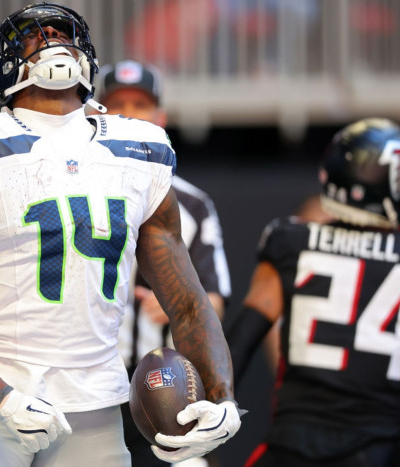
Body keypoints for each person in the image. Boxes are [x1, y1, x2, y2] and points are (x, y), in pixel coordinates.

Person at [0, 3, 242, 466]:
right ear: (3, 64)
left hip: (95, 411)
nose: (52, 40)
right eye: (36, 35)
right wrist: (1, 396)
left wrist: (223, 397)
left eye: (63, 34)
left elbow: (186, 301)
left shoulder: (141, 149)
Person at [226, 118, 400, 467]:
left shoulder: (290, 241)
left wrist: (209, 423)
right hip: (375, 453)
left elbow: (235, 349)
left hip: (291, 449)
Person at [94, 59, 232, 467]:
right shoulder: (70, 190)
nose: (128, 115)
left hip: (164, 385)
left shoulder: (192, 204)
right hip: (90, 382)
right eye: (118, 104)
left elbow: (212, 301)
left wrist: (173, 301)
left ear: (161, 118)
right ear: (95, 115)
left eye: (140, 105)